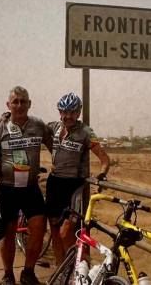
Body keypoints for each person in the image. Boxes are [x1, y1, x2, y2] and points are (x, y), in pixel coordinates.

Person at [0, 86, 52, 285]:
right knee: (9, 233)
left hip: (31, 187)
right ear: (8, 105)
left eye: (23, 101)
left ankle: (28, 272)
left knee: (39, 227)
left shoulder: (39, 125)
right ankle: (8, 274)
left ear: (29, 104)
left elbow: (55, 146)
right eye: (15, 102)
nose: (19, 105)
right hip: (7, 188)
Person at [46, 92, 110, 265]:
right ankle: (61, 271)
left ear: (79, 112)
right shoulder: (54, 127)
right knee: (54, 231)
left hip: (74, 187)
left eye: (72, 112)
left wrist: (102, 175)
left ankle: (76, 271)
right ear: (59, 112)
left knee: (66, 233)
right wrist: (6, 119)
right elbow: (31, 128)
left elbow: (104, 159)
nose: (68, 116)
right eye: (64, 112)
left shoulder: (86, 132)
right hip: (54, 184)